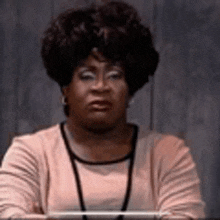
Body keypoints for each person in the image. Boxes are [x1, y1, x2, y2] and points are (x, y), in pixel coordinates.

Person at [0, 1, 205, 219]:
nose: (101, 86)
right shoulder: (30, 154)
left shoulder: (168, 153)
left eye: (114, 75)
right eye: (86, 76)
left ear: (130, 88)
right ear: (65, 88)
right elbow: (8, 214)